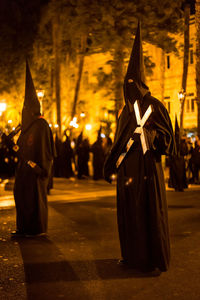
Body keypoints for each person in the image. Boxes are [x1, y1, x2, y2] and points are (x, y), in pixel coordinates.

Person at [103, 22, 176, 273]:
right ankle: (133, 255)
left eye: (133, 83)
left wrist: (150, 135)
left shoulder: (154, 105)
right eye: (127, 84)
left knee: (148, 213)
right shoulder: (125, 111)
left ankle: (151, 259)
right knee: (130, 214)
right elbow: (119, 141)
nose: (130, 88)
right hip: (127, 172)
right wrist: (111, 164)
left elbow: (169, 139)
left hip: (147, 170)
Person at [12, 60, 55, 237]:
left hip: (34, 171)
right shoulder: (26, 127)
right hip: (23, 170)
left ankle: (36, 228)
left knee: (34, 200)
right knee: (22, 198)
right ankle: (24, 227)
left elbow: (45, 151)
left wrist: (42, 170)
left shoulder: (41, 125)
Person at [168, 116, 188, 191]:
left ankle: (178, 186)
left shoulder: (176, 143)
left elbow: (184, 151)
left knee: (179, 174)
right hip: (177, 160)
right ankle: (179, 186)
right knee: (178, 174)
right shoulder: (176, 143)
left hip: (178, 160)